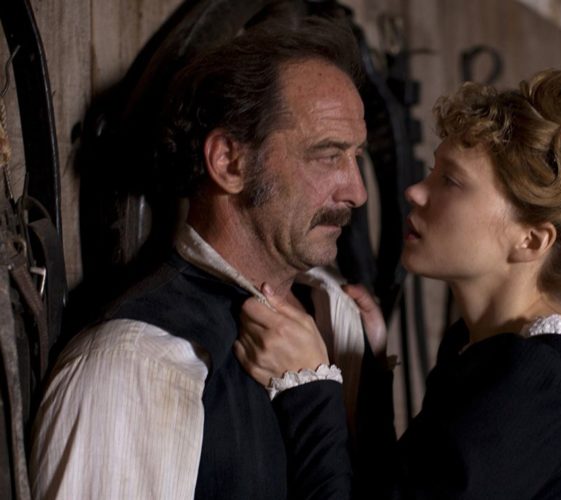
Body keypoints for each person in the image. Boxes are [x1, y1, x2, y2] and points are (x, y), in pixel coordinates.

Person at [235, 68, 561, 499]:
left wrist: (305, 386)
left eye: (451, 181)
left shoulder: (541, 382)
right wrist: (370, 376)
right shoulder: (482, 347)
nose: (415, 192)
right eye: (431, 171)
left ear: (530, 240)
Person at [30, 16, 384, 499]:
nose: (357, 192)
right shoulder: (133, 365)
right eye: (327, 155)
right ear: (229, 162)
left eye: (356, 156)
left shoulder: (336, 314)